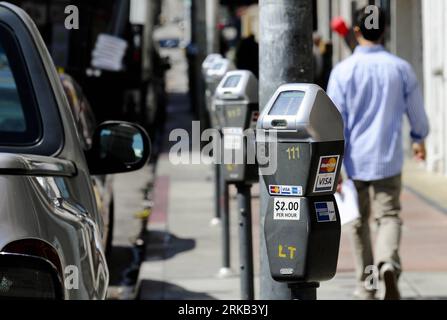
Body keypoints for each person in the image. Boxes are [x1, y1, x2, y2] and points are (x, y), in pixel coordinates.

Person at [327, 6, 429, 300]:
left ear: (356, 31)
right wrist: (418, 138)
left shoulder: (343, 72)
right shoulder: (400, 68)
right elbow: (417, 114)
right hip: (387, 159)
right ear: (384, 31)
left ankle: (366, 283)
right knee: (389, 216)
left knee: (357, 221)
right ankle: (387, 263)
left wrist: (334, 165)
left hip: (352, 161)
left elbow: (334, 121)